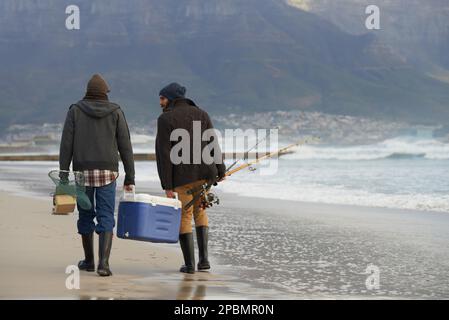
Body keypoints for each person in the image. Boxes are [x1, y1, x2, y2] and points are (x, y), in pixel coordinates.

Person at [59, 74, 135, 277]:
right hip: (108, 173)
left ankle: (89, 261)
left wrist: (64, 174)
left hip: (82, 172)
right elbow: (125, 145)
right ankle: (104, 264)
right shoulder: (116, 111)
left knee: (85, 214)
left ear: (88, 91)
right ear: (104, 92)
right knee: (106, 215)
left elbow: (66, 144)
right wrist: (130, 176)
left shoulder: (75, 110)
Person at [156, 82, 225, 274]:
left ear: (170, 98)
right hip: (205, 174)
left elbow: (164, 154)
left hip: (182, 177)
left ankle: (189, 265)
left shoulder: (165, 119)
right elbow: (213, 143)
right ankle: (204, 261)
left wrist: (167, 185)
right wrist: (221, 169)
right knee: (200, 211)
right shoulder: (202, 114)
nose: (160, 102)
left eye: (162, 98)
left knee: (184, 216)